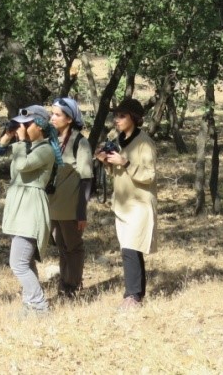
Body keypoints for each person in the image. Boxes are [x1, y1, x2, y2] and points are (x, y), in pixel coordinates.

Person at [0, 104, 62, 314]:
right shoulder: (26, 147)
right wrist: (7, 136)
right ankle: (29, 305)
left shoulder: (46, 150)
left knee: (18, 263)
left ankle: (40, 306)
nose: (23, 128)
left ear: (40, 126)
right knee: (27, 261)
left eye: (27, 124)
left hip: (31, 209)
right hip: (19, 209)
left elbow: (23, 166)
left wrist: (21, 141)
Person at [96, 97, 157, 308]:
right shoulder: (118, 139)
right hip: (121, 203)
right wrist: (107, 162)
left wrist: (125, 162)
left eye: (122, 115)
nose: (117, 120)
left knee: (132, 248)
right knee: (129, 248)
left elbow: (149, 176)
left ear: (135, 118)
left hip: (139, 204)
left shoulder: (145, 143)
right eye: (116, 115)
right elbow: (117, 173)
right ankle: (135, 293)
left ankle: (133, 296)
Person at [47, 97, 93, 298]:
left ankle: (72, 286)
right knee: (62, 246)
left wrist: (81, 212)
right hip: (53, 206)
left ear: (70, 118)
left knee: (73, 247)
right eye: (52, 114)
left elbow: (86, 178)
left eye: (57, 114)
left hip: (70, 206)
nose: (52, 118)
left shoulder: (79, 142)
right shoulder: (51, 139)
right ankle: (64, 284)